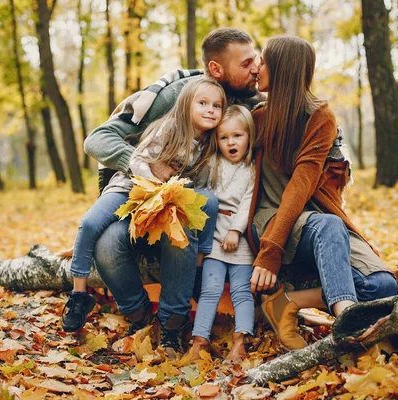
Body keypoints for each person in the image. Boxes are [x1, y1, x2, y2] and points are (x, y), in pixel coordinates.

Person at [82, 28, 262, 356]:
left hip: (193, 204)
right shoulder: (176, 95)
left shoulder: (251, 99)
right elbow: (97, 139)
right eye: (247, 62)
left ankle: (172, 325)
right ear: (217, 70)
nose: (256, 68)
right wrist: (146, 167)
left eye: (258, 60)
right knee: (107, 245)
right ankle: (139, 316)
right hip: (141, 193)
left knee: (181, 231)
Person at [247, 36, 398, 350]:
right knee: (329, 227)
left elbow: (301, 184)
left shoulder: (319, 117)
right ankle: (348, 323)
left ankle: (287, 301)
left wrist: (273, 252)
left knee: (384, 283)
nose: (257, 68)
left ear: (281, 69)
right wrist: (271, 246)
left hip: (315, 219)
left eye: (262, 60)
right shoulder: (255, 118)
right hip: (272, 220)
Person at [61, 78, 226, 336]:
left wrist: (173, 191)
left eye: (216, 106)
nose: (210, 110)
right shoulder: (171, 127)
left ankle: (194, 275)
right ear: (186, 105)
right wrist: (156, 180)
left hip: (163, 200)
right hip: (130, 187)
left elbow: (201, 188)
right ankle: (79, 294)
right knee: (92, 223)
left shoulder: (210, 146)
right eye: (202, 103)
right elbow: (136, 160)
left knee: (209, 203)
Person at [188, 105, 256, 363]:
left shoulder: (252, 168)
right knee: (210, 289)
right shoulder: (213, 163)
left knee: (241, 291)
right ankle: (200, 340)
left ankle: (240, 342)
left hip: (240, 240)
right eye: (224, 137)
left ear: (249, 135)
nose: (231, 142)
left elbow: (249, 202)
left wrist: (237, 231)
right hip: (215, 237)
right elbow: (202, 193)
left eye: (237, 136)